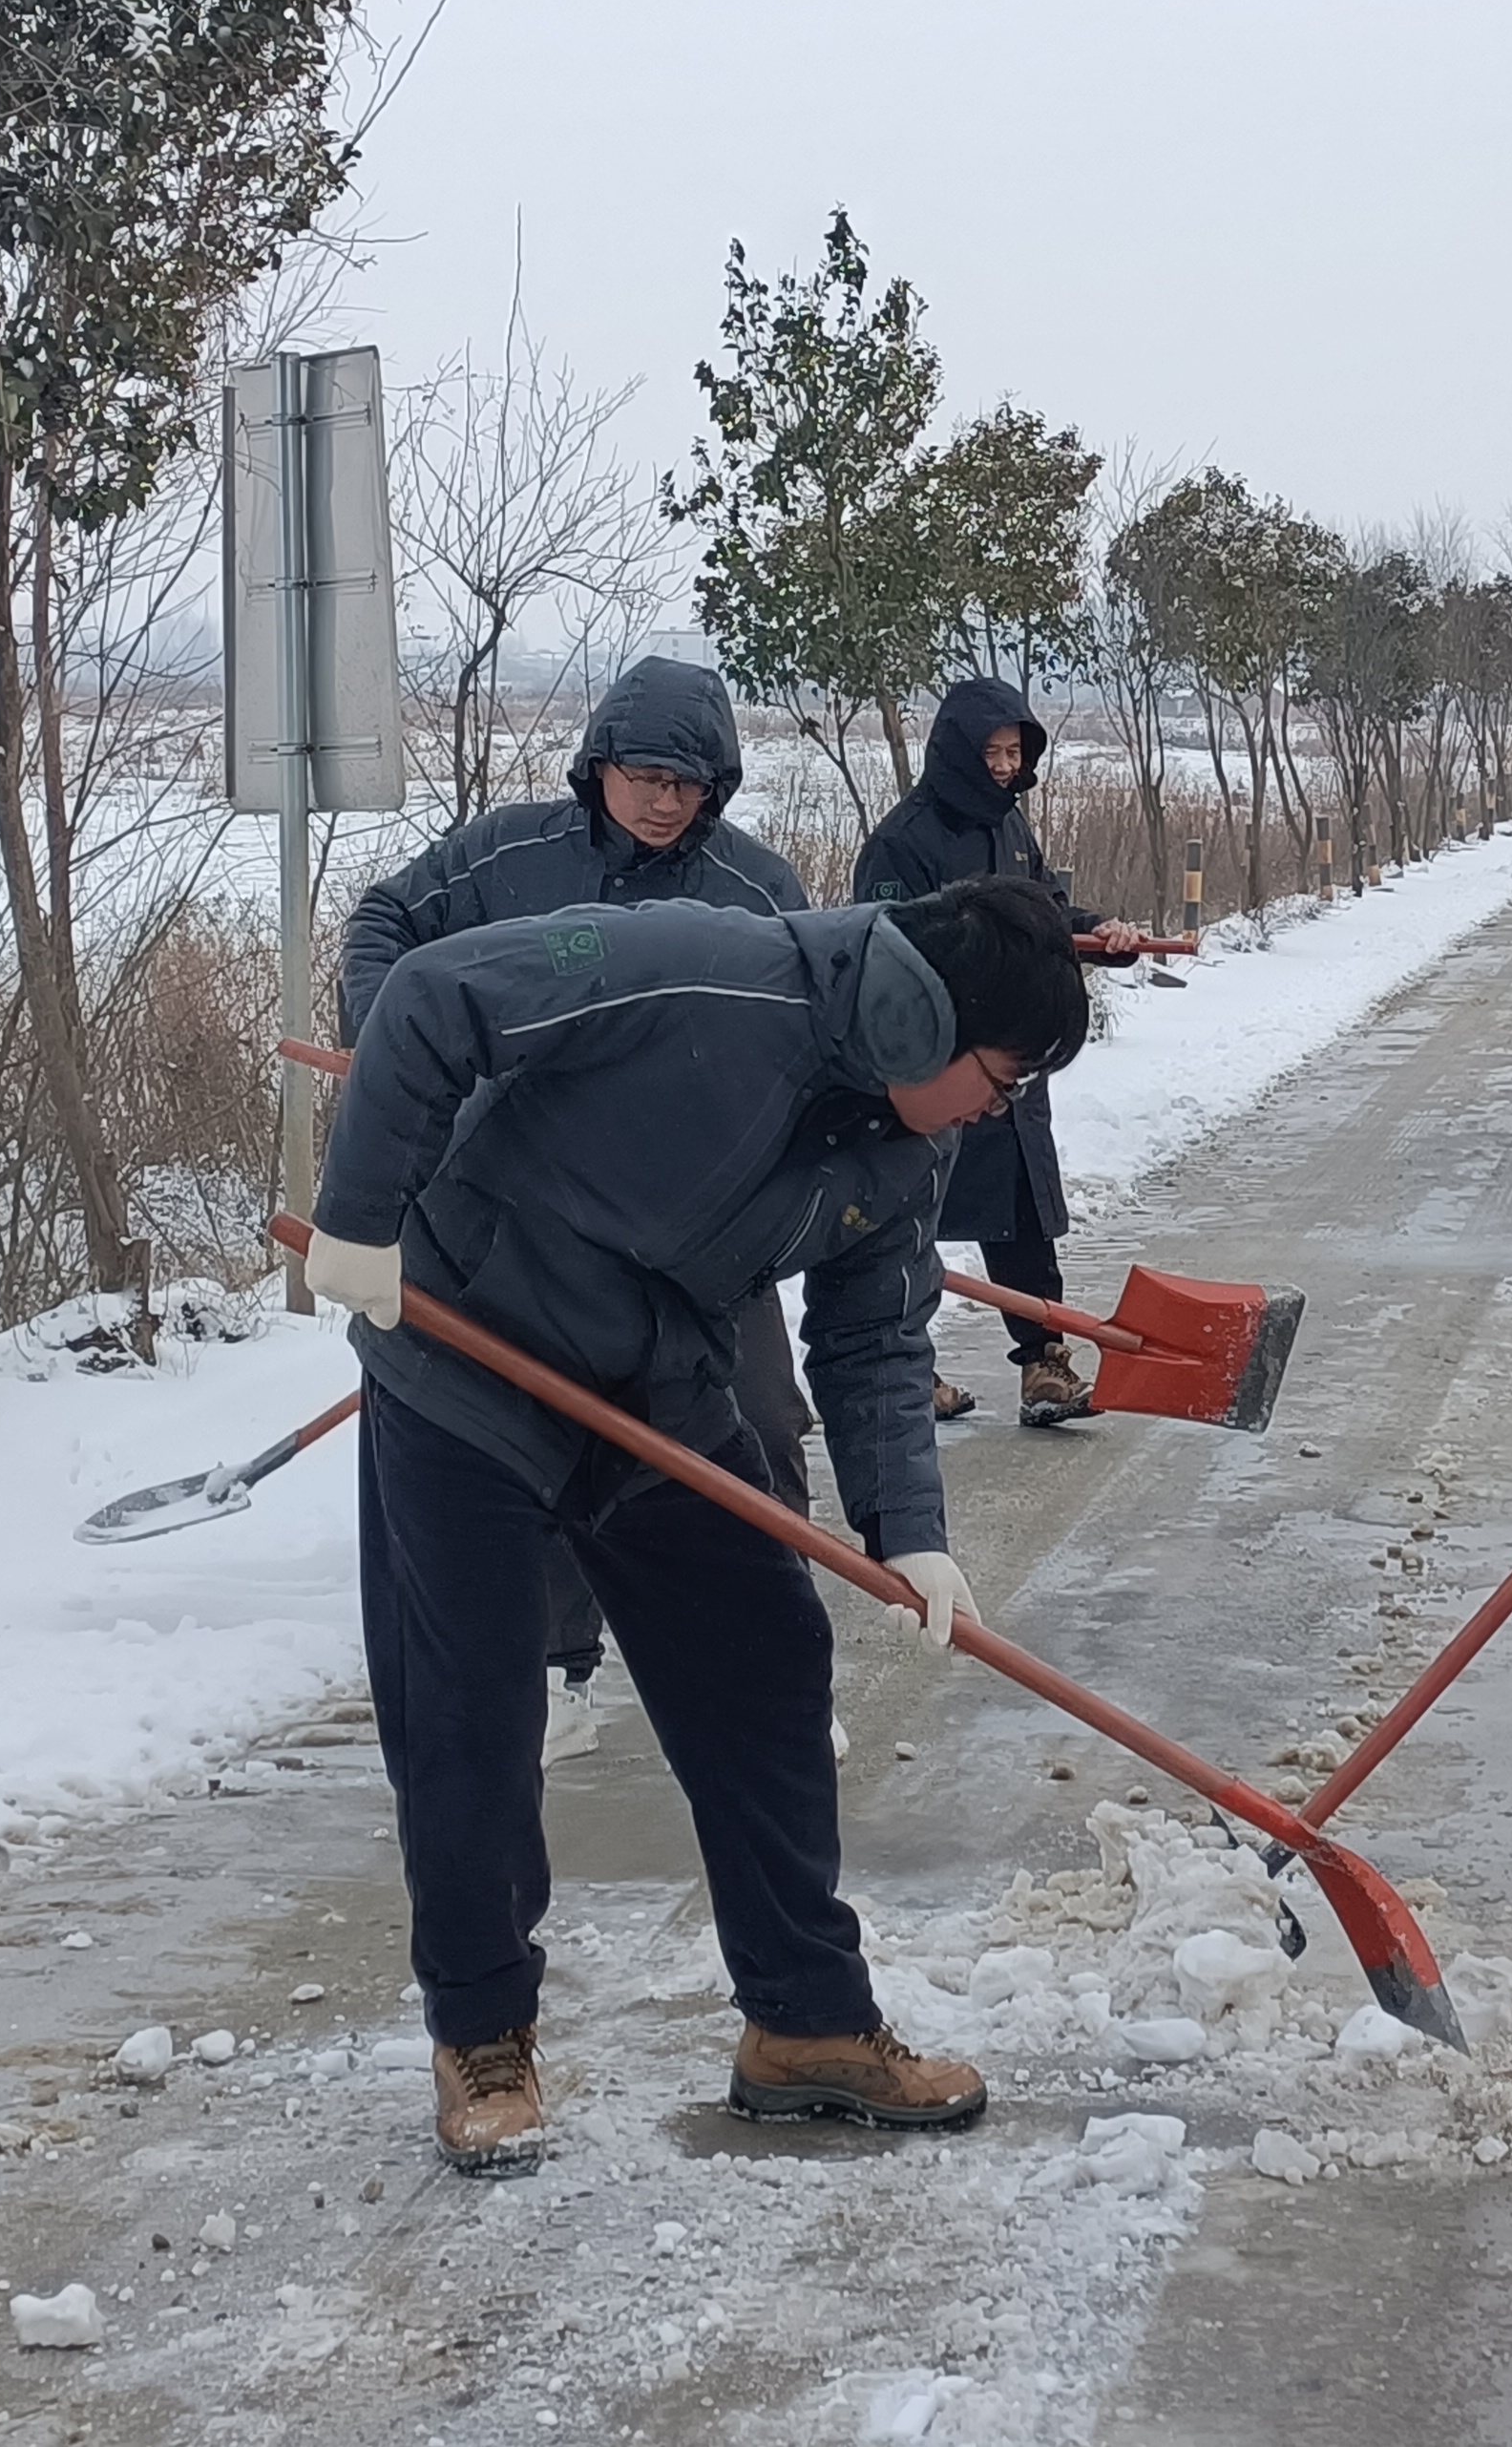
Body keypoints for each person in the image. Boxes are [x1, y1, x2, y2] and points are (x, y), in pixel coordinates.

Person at [300, 872, 1092, 2169]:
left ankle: (805, 2020)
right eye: (1000, 1080)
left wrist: (909, 1527)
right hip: (464, 1364)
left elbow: (874, 1337)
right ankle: (483, 2037)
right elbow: (434, 996)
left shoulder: (912, 1145)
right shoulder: (700, 970)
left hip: (654, 1386)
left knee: (764, 1661)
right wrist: (360, 1217)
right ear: (921, 1020)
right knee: (471, 1710)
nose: (996, 1111)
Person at [341, 658, 817, 1758]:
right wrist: (387, 1051)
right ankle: (558, 1669)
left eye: (687, 783)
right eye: (643, 776)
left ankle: (771, 1668)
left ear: (718, 787)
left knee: (759, 1424)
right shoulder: (508, 856)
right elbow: (386, 925)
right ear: (597, 765)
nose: (663, 802)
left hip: (702, 1232)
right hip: (524, 1227)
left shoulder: (755, 894)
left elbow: (809, 1038)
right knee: (535, 1429)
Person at [851, 680, 1101, 1429]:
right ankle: (907, 1369)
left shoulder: (1011, 826)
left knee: (1021, 1213)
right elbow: (886, 948)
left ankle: (1044, 1361)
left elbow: (1047, 910)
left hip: (1011, 1054)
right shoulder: (902, 842)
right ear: (957, 751)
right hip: (938, 1062)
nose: (1003, 766)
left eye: (1014, 752)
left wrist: (1100, 935)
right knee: (910, 1217)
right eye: (991, 751)